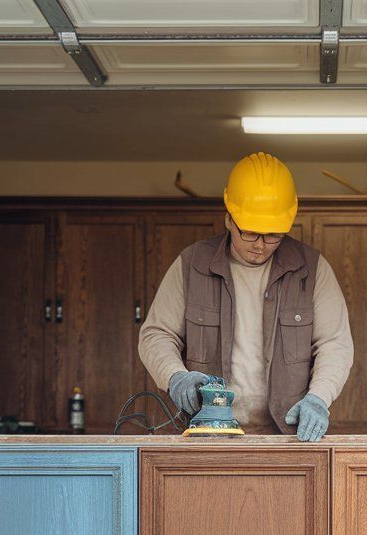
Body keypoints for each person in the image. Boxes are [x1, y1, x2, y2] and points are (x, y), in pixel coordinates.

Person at [139, 152, 354, 441]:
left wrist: (319, 398)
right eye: (250, 233)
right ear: (229, 219)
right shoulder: (192, 265)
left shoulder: (312, 269)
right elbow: (156, 334)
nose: (261, 245)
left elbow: (335, 344)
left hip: (286, 437)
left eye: (273, 235)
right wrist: (175, 375)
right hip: (208, 434)